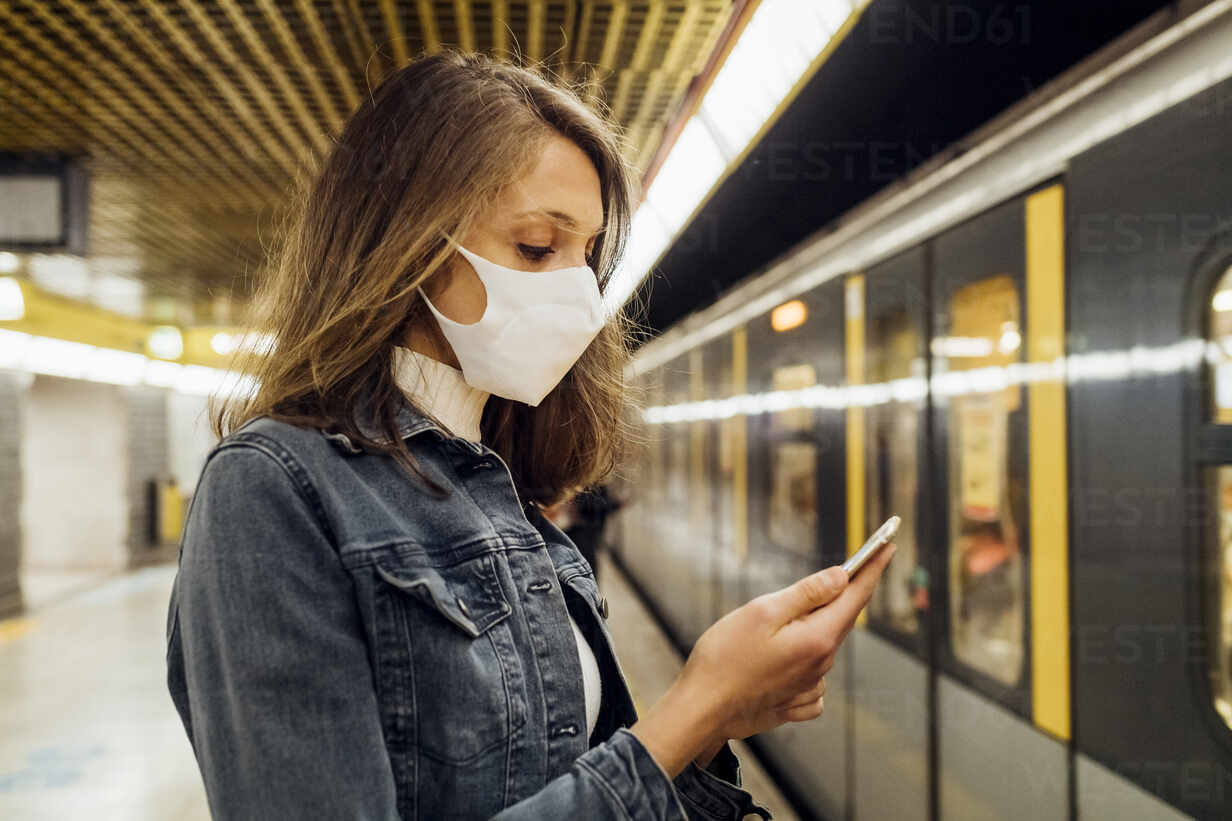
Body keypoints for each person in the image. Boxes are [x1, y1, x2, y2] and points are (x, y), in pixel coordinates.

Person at [164, 50, 896, 821]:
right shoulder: (273, 491)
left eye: (588, 257)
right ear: (406, 241)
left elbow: (575, 769)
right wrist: (694, 710)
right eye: (538, 247)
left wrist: (719, 722)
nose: (580, 297)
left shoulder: (497, 478)